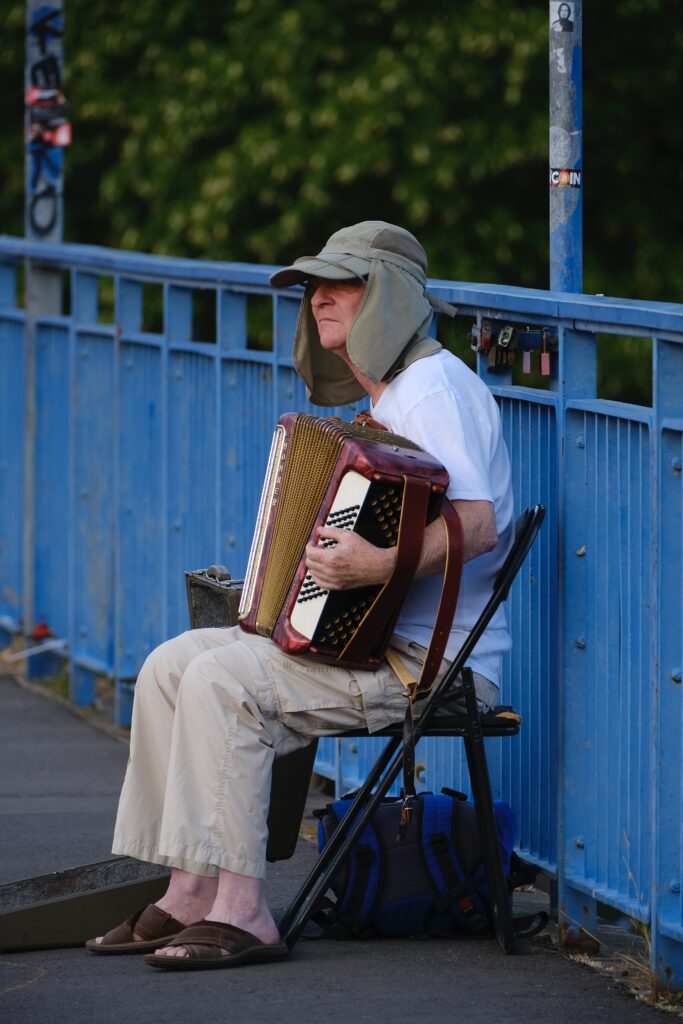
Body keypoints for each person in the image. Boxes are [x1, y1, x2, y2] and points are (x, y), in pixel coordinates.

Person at [86, 221, 514, 970]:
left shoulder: (434, 390)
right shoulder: (389, 396)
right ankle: (189, 891)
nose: (318, 298)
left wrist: (377, 566)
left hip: (428, 662)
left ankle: (244, 912)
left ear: (390, 295)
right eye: (313, 284)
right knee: (170, 665)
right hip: (368, 646)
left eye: (341, 282)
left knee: (223, 680)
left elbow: (478, 527)